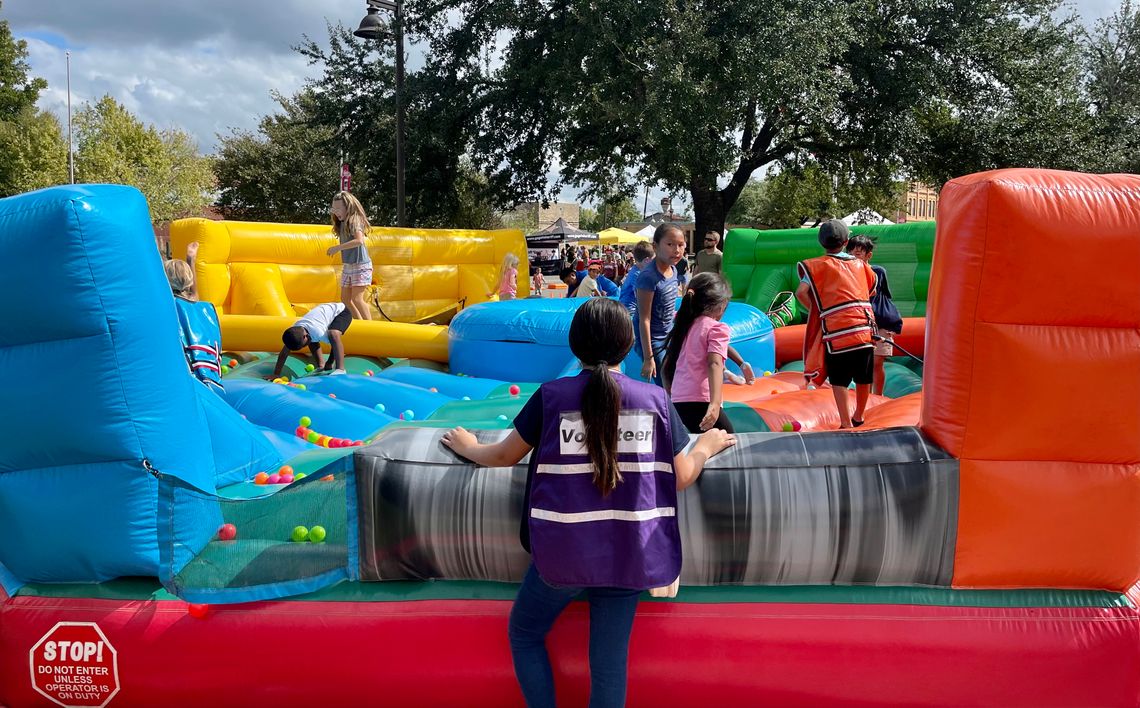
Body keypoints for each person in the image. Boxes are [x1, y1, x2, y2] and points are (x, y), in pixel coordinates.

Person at [441, 297, 735, 708]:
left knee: (525, 634)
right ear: (629, 344)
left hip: (562, 555)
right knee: (609, 666)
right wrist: (705, 446)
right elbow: (681, 477)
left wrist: (470, 446)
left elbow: (505, 455)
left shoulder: (552, 397)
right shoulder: (653, 400)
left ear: (575, 347)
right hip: (629, 555)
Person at [794, 220, 877, 428]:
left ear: (821, 243)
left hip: (837, 332)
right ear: (846, 241)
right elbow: (871, 289)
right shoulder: (860, 265)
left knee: (839, 379)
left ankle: (845, 422)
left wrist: (817, 309)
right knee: (864, 376)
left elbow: (801, 293)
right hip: (864, 330)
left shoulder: (817, 265)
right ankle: (859, 415)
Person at [662, 272, 736, 433]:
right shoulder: (717, 328)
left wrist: (671, 388)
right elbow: (714, 362)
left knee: (704, 442)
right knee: (728, 439)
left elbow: (668, 361)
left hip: (679, 399)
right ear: (721, 305)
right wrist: (715, 404)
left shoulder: (684, 323)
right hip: (701, 398)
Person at [846, 235, 903, 396]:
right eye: (852, 250)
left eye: (860, 250)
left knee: (877, 362)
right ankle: (864, 395)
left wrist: (890, 322)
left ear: (868, 255)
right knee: (863, 363)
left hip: (879, 323)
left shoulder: (877, 272)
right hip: (860, 323)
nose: (856, 252)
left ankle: (877, 396)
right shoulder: (846, 274)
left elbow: (885, 298)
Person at [164, 241, 224, 393]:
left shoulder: (168, 304)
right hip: (212, 379)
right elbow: (193, 294)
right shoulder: (200, 306)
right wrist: (191, 260)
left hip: (188, 377)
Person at [636, 224, 686, 383]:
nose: (677, 250)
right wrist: (648, 357)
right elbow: (644, 319)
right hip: (653, 341)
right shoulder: (648, 276)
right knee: (666, 384)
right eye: (670, 244)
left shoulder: (674, 269)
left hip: (668, 335)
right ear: (655, 246)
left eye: (680, 244)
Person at [325, 191, 373, 321]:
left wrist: (337, 248)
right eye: (334, 209)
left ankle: (370, 327)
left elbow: (359, 240)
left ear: (348, 207)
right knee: (345, 299)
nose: (336, 212)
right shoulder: (342, 222)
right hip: (348, 265)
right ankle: (359, 323)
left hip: (360, 265)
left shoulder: (354, 220)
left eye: (339, 209)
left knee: (357, 299)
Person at [272, 302, 352, 378]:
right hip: (323, 314)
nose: (305, 346)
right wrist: (276, 374)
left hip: (341, 312)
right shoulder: (295, 333)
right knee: (311, 340)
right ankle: (321, 365)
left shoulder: (319, 332)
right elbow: (283, 354)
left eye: (303, 344)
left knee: (333, 334)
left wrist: (330, 362)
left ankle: (340, 368)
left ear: (305, 336)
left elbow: (334, 345)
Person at [619, 240, 655, 315]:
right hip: (629, 311)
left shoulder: (636, 270)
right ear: (647, 260)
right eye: (653, 260)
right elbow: (642, 299)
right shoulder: (637, 275)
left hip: (625, 309)